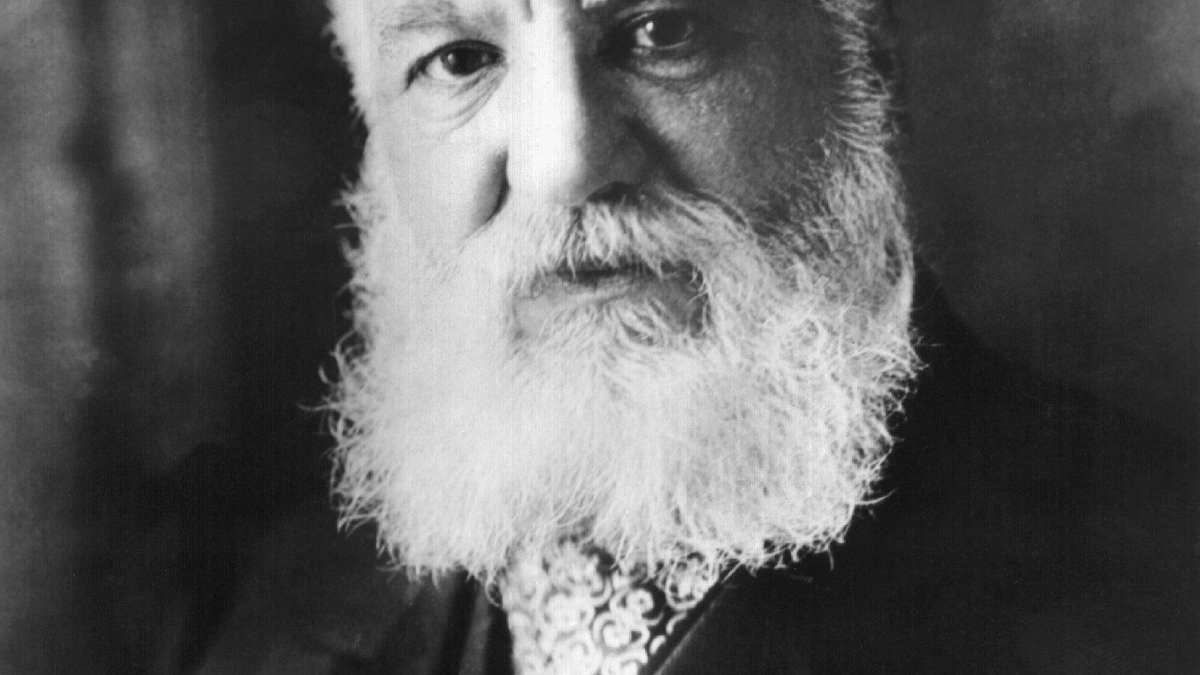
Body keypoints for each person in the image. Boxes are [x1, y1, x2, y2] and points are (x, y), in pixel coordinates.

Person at [190, 0, 1196, 673]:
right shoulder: (260, 613)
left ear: (866, 72)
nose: (562, 165)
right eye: (460, 59)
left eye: (661, 31)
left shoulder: (1152, 591)